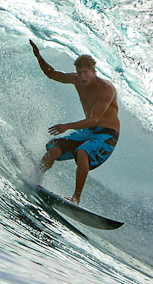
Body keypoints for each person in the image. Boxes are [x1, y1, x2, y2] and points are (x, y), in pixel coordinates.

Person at [31, 39, 120, 203]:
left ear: (94, 71)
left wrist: (66, 126)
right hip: (88, 132)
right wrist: (38, 57)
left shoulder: (106, 89)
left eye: (86, 72)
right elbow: (53, 74)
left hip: (106, 135)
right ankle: (35, 179)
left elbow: (94, 118)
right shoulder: (76, 80)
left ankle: (75, 198)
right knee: (54, 151)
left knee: (82, 152)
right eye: (79, 73)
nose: (82, 77)